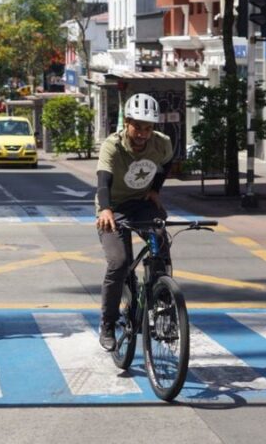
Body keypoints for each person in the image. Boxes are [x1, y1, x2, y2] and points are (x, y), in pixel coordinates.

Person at [95, 93, 173, 351]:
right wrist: (105, 209)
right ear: (127, 123)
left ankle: (163, 302)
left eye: (148, 128)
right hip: (113, 208)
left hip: (141, 203)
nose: (142, 133)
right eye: (137, 126)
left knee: (161, 240)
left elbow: (167, 162)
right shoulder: (112, 146)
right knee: (119, 263)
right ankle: (107, 323)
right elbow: (103, 179)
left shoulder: (161, 144)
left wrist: (155, 190)